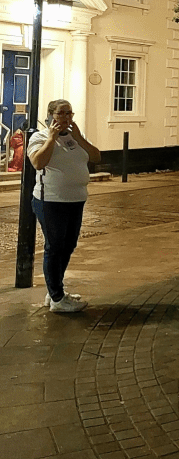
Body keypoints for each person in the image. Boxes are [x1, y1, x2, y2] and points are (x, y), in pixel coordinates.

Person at [27, 99, 100, 313]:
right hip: (51, 200)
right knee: (55, 246)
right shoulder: (40, 137)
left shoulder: (75, 137)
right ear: (51, 115)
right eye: (61, 113)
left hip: (76, 199)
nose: (66, 117)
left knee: (68, 245)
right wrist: (51, 138)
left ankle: (54, 290)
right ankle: (58, 299)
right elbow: (38, 163)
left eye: (69, 113)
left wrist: (79, 138)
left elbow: (96, 157)